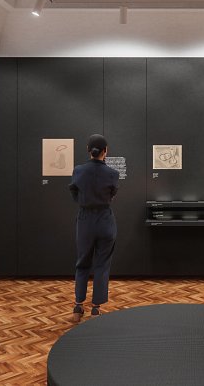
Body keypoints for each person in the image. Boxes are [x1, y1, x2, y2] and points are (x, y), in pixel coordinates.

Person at [68, 134, 120, 323]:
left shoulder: (79, 170)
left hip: (85, 219)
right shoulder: (113, 173)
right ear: (105, 151)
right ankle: (96, 309)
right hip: (105, 219)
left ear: (88, 150)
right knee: (102, 264)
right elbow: (112, 193)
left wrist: (84, 202)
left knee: (82, 263)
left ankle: (78, 306)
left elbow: (73, 191)